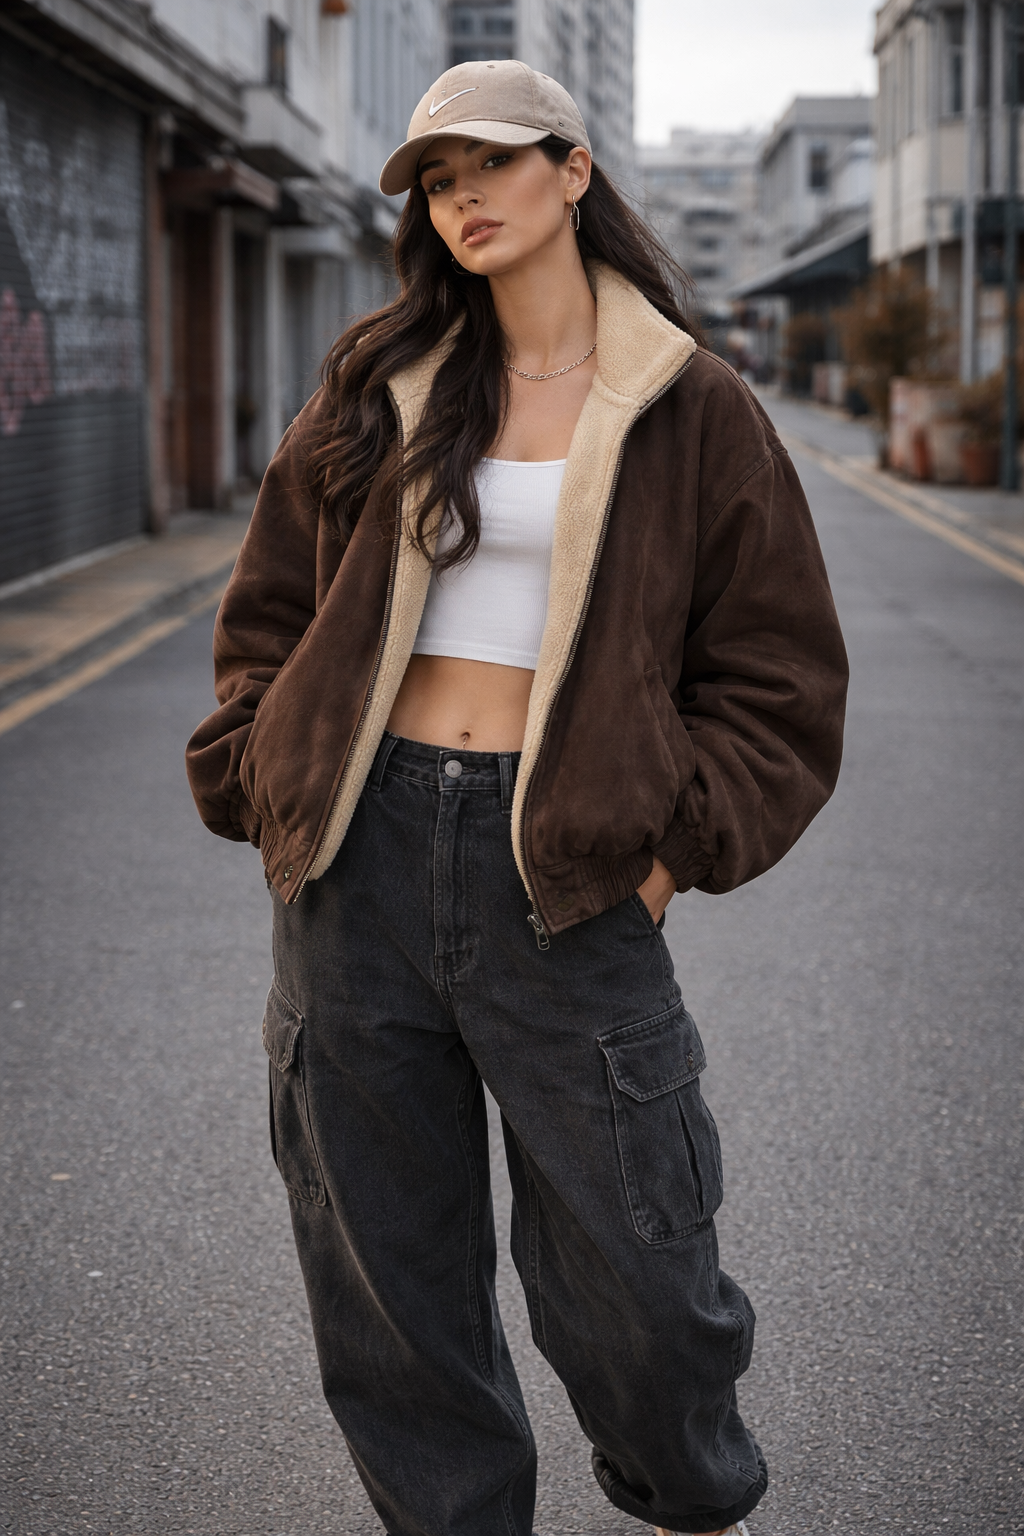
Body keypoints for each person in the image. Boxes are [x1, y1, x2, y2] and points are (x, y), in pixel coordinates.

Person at [186, 59, 848, 1536]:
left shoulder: (690, 406)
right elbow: (268, 616)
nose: (462, 196)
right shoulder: (380, 384)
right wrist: (265, 774)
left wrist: (667, 861)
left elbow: (782, 685)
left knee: (646, 1287)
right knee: (391, 1294)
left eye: (488, 162)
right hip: (357, 870)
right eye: (434, 178)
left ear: (572, 171)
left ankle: (688, 1488)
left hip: (568, 881)